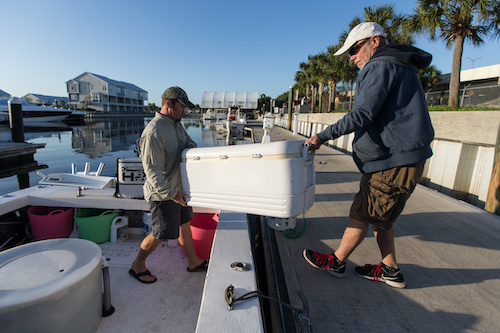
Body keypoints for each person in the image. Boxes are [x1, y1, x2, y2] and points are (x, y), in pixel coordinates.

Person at [302, 22, 434, 288]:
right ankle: (389, 269)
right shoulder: (398, 65)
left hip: (393, 160)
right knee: (380, 218)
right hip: (397, 159)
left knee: (361, 213)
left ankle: (337, 261)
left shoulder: (381, 65)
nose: (352, 57)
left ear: (375, 41)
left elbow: (362, 114)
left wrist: (322, 137)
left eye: (356, 48)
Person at [129, 86, 208, 283]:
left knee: (184, 225)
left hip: (179, 190)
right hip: (163, 194)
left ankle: (193, 262)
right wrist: (172, 193)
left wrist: (190, 148)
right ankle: (137, 265)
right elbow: (152, 171)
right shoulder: (154, 132)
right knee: (160, 234)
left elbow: (190, 143)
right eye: (182, 107)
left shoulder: (177, 124)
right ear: (169, 104)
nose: (185, 111)